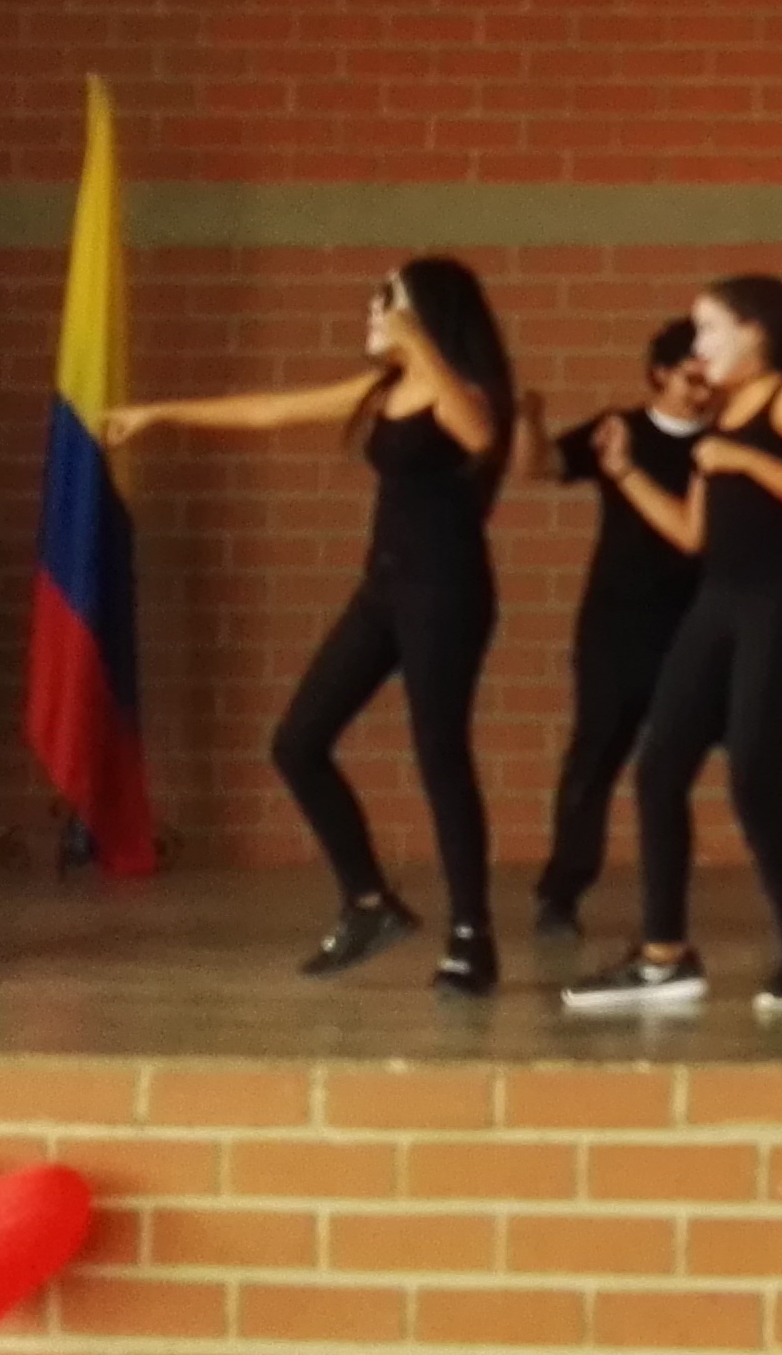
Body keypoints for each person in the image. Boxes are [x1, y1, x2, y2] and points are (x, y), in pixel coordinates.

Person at [107, 259, 519, 991]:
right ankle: (369, 900)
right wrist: (158, 414)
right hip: (383, 590)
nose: (374, 311)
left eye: (389, 299)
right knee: (298, 743)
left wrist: (415, 341)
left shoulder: (466, 389)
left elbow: (480, 434)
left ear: (428, 313)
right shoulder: (383, 390)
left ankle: (470, 937)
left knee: (440, 755)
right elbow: (272, 410)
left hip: (447, 594)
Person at [563, 274, 782, 1018]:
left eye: (709, 329)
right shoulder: (723, 416)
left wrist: (750, 463)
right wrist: (625, 473)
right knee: (660, 768)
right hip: (718, 598)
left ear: (755, 332)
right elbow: (693, 534)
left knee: (753, 766)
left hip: (779, 599)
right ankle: (665, 956)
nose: (698, 347)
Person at [523, 320, 713, 941]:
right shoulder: (619, 428)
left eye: (710, 379)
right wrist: (529, 420)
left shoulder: (725, 444)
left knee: (733, 754)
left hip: (694, 623)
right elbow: (542, 466)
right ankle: (561, 892)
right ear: (660, 373)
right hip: (616, 624)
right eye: (691, 378)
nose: (703, 391)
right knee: (595, 754)